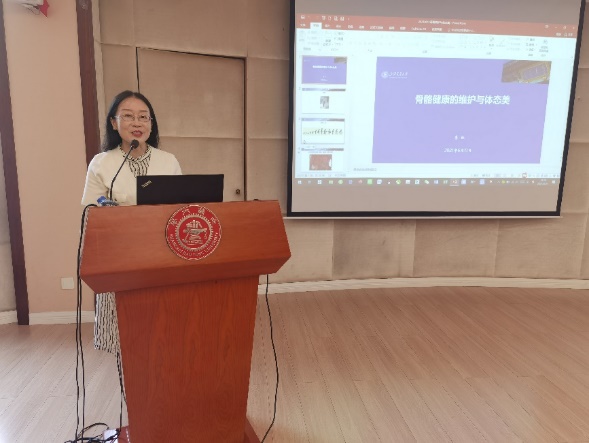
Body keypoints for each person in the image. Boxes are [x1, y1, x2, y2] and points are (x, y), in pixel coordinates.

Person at [81, 90, 182, 355]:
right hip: (119, 257)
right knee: (125, 339)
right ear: (114, 123)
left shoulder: (168, 161)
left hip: (160, 255)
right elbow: (90, 211)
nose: (137, 123)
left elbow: (180, 208)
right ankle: (128, 381)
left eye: (143, 117)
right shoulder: (102, 163)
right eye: (128, 116)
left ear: (151, 123)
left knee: (161, 333)